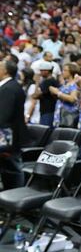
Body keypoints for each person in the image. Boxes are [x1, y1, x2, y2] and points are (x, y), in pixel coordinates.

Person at [0, 59, 26, 190]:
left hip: (9, 135)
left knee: (13, 167)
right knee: (7, 167)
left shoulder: (9, 88)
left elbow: (4, 115)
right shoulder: (9, 86)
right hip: (8, 134)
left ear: (5, 71)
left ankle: (17, 195)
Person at [52, 62, 81, 128]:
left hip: (68, 117)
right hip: (59, 116)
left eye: (65, 70)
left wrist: (58, 93)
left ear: (71, 72)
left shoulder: (74, 85)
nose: (62, 72)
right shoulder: (64, 84)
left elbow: (72, 99)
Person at [33, 61, 59, 126]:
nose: (40, 72)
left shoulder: (48, 82)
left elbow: (35, 95)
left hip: (48, 110)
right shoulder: (51, 80)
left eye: (41, 70)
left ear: (46, 71)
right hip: (47, 110)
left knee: (45, 131)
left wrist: (37, 82)